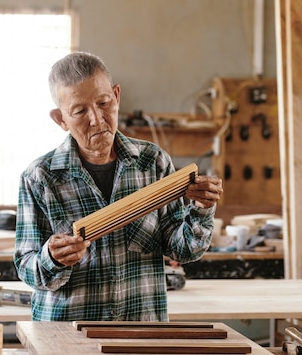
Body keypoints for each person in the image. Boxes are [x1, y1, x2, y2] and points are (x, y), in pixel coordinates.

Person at [14, 52, 223, 322]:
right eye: (79, 111)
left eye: (103, 103)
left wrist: (202, 209)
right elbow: (26, 267)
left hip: (141, 334)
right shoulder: (39, 177)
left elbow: (184, 250)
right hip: (67, 340)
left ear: (116, 96)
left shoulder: (153, 162)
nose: (97, 119)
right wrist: (51, 259)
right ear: (60, 119)